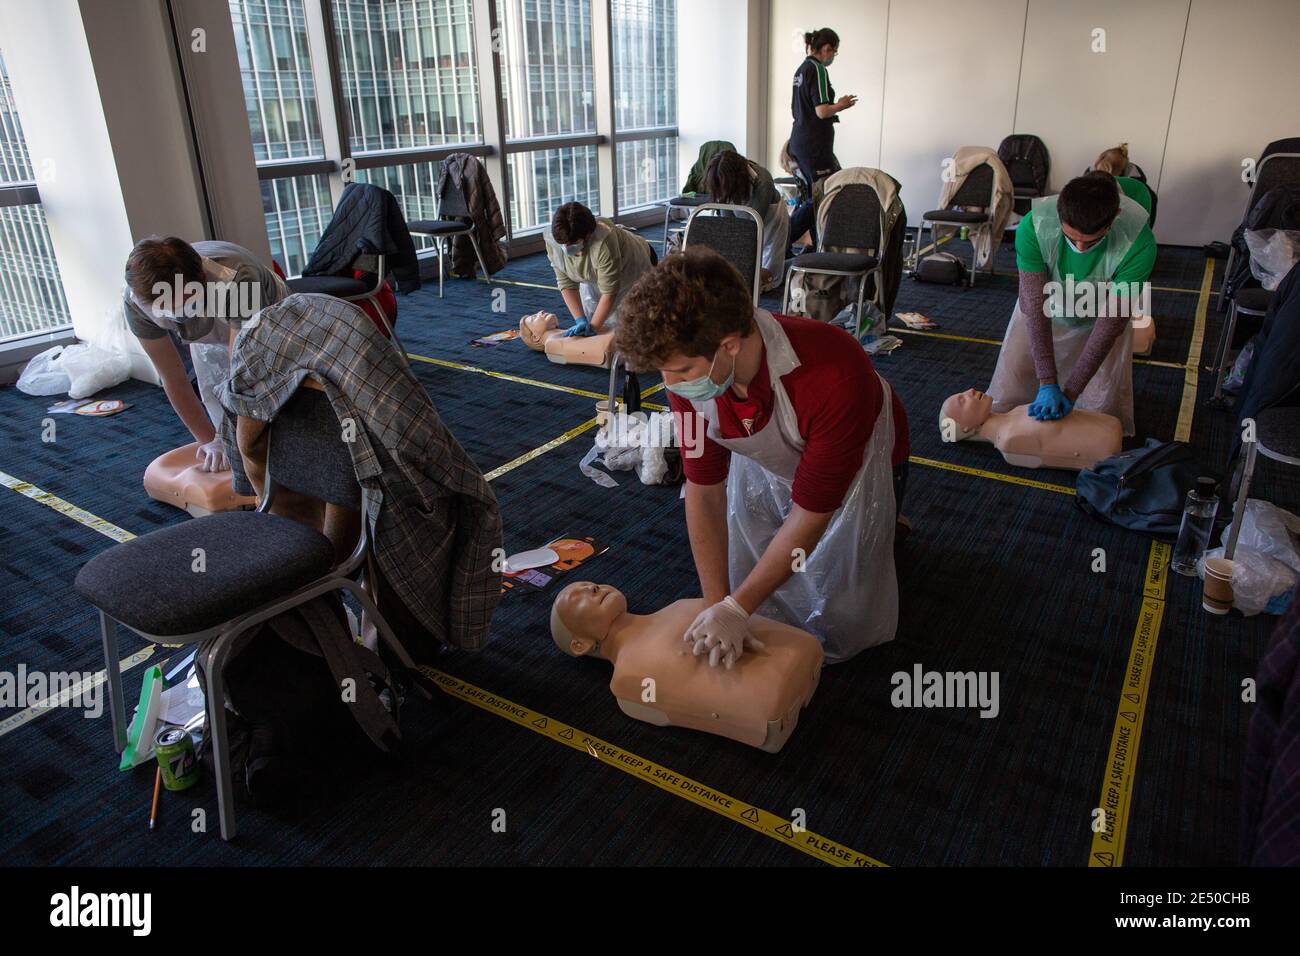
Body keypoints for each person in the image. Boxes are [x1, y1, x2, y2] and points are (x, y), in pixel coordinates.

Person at [613, 247, 909, 666]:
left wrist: (739, 608)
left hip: (869, 459)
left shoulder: (834, 376)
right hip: (766, 443)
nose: (670, 385)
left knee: (844, 588)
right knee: (764, 566)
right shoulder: (692, 375)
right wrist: (717, 602)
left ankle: (896, 519)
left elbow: (812, 511)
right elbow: (703, 485)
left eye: (680, 371)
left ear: (729, 345)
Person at [986, 173, 1156, 436]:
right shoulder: (1034, 226)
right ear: (1058, 215)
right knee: (1014, 387)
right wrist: (1047, 382)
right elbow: (1033, 304)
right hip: (1047, 303)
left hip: (1101, 308)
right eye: (1071, 237)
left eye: (1091, 241)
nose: (1079, 246)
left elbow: (1111, 323)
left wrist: (1072, 390)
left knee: (1098, 404)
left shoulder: (1140, 244)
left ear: (1114, 219)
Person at [123, 237, 288, 471]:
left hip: (270, 316)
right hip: (208, 330)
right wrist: (211, 441)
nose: (174, 313)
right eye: (165, 308)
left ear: (200, 279)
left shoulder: (238, 277)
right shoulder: (135, 303)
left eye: (180, 304)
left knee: (273, 399)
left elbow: (239, 375)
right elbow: (173, 379)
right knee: (214, 401)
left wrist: (232, 439)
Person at [544, 202, 657, 338]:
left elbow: (609, 292)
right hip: (596, 275)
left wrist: (594, 327)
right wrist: (580, 319)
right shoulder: (554, 240)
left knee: (635, 324)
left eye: (572, 244)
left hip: (634, 266)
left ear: (587, 236)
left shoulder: (604, 242)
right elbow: (565, 283)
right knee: (598, 318)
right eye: (563, 244)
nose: (566, 248)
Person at [788, 27, 855, 247]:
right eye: (833, 52)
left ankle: (816, 248)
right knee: (824, 194)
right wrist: (841, 105)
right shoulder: (817, 70)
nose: (833, 56)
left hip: (802, 141)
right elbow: (822, 111)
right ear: (825, 48)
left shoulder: (801, 69)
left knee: (818, 196)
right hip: (813, 144)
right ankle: (783, 237)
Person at [702, 149, 791, 292]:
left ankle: (790, 267)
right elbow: (728, 224)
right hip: (743, 210)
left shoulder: (763, 181)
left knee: (771, 276)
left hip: (771, 217)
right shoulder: (721, 180)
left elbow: (753, 226)